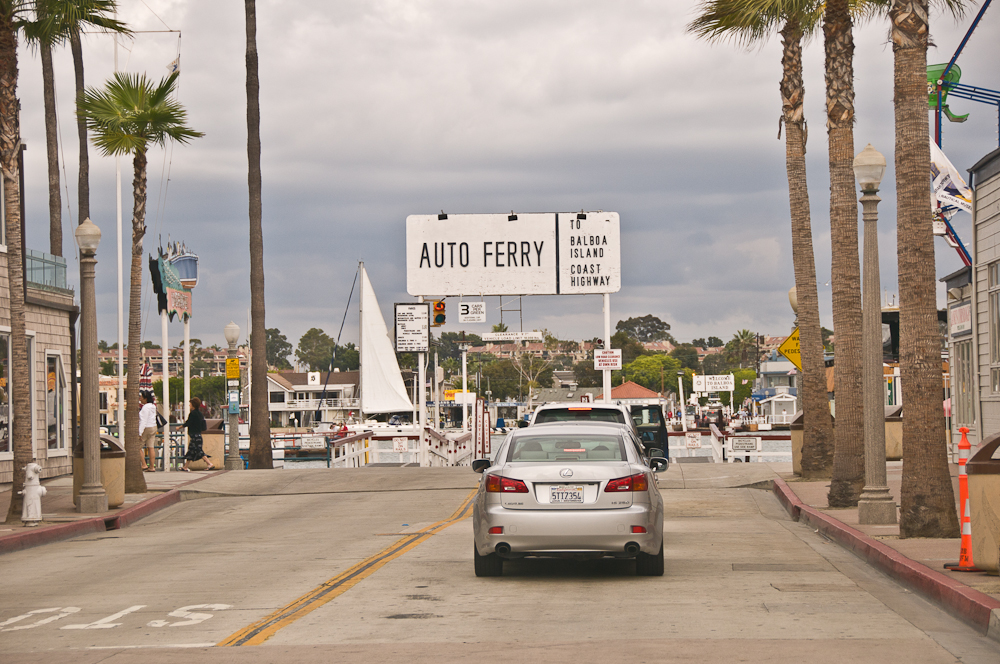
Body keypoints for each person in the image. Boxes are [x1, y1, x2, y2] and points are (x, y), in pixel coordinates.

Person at [179, 397, 214, 471]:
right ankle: (185, 467)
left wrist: (180, 427)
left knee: (199, 450)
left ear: (193, 405)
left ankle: (209, 463)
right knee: (191, 451)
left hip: (194, 435)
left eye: (190, 404)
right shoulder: (200, 414)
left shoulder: (193, 413)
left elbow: (188, 422)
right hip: (198, 435)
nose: (189, 405)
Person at [139, 391, 158, 471]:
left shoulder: (145, 408)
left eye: (141, 397)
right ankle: (152, 467)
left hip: (146, 427)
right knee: (151, 447)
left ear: (145, 398)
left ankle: (144, 464)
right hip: (153, 426)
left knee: (138, 447)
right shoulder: (153, 406)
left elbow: (144, 420)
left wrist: (140, 432)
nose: (140, 399)